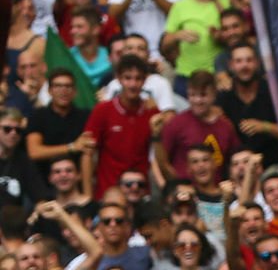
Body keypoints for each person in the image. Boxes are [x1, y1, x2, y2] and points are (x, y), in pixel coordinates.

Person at [81, 54, 157, 197]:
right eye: (128, 78)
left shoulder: (151, 112)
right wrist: (87, 195)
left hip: (140, 194)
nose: (133, 84)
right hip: (108, 194)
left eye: (138, 78)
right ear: (118, 78)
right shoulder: (103, 111)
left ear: (145, 79)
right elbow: (88, 152)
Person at [157, 70, 240, 181]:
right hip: (185, 192)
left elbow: (235, 160)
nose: (197, 100)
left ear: (214, 95)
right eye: (193, 95)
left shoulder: (225, 126)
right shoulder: (176, 123)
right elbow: (161, 161)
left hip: (217, 192)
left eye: (203, 95)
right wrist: (172, 188)